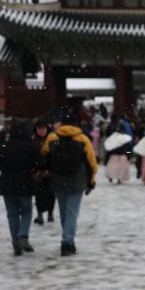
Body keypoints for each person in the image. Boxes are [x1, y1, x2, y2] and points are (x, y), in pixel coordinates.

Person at [41, 110, 97, 256]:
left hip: (57, 180)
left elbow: (44, 157)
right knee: (72, 212)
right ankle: (68, 242)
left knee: (63, 211)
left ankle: (66, 237)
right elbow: (92, 162)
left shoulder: (52, 137)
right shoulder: (83, 139)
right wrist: (91, 181)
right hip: (77, 180)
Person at [0, 120, 40, 256]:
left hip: (7, 185)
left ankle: (16, 243)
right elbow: (40, 163)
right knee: (26, 211)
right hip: (25, 184)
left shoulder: (5, 146)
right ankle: (23, 235)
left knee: (12, 214)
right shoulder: (31, 147)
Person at [32, 119, 56, 225]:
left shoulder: (52, 139)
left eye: (43, 128)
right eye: (39, 129)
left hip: (50, 172)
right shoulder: (33, 141)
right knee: (39, 194)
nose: (41, 131)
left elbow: (55, 156)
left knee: (51, 193)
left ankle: (50, 213)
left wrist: (49, 169)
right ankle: (40, 214)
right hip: (38, 173)